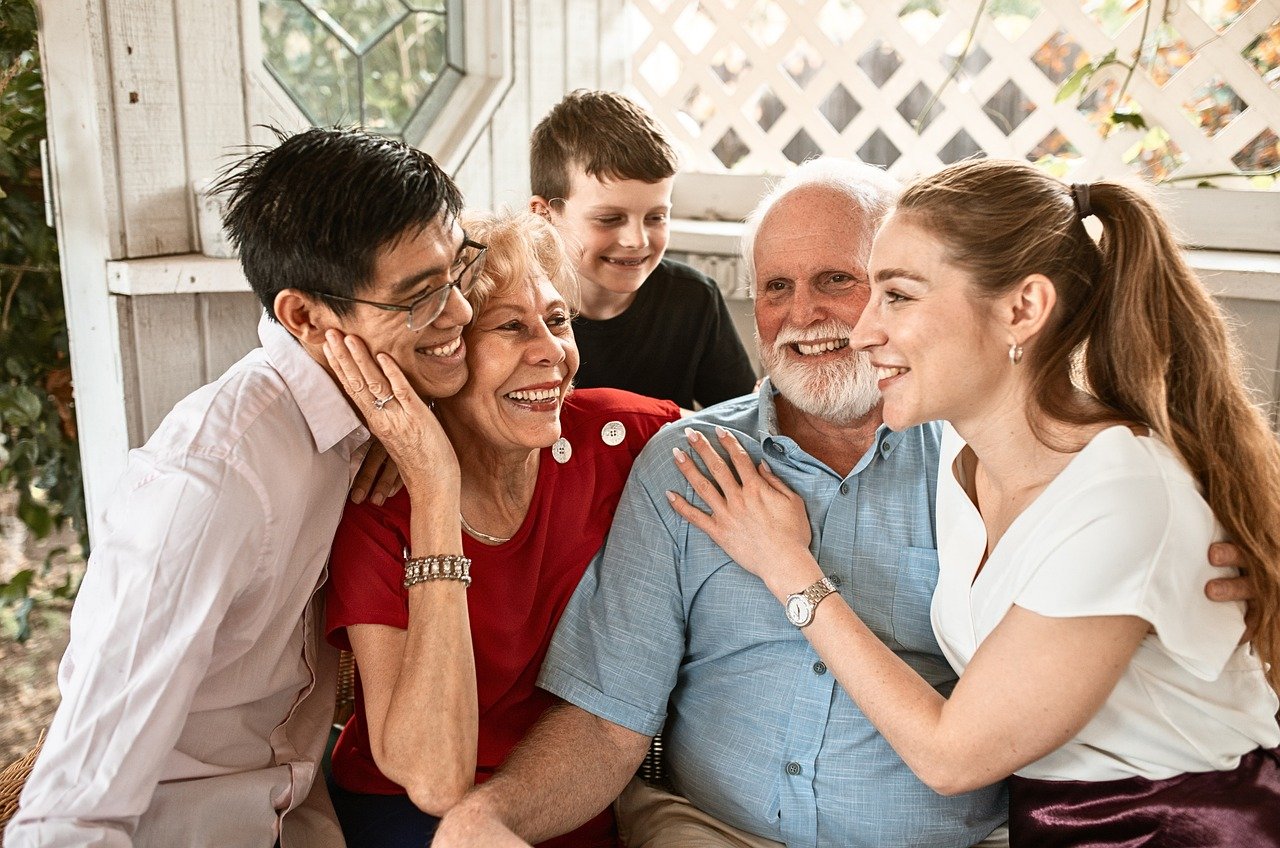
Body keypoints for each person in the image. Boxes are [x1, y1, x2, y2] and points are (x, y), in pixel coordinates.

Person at [431, 158, 1260, 848]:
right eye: (775, 288)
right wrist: (492, 813)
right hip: (709, 830)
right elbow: (611, 722)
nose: (815, 318)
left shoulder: (989, 460)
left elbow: (960, 750)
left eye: (851, 284)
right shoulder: (691, 460)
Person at [668, 159, 1280, 845]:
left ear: (1023, 310)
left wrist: (787, 566)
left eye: (895, 295)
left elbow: (950, 757)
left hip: (1180, 830)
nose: (864, 330)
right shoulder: (962, 458)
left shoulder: (1120, 498)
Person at [4, 127, 475, 847]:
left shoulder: (372, 415)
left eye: (456, 272)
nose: (460, 314)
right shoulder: (208, 484)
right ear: (304, 318)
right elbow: (72, 814)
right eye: (421, 297)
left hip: (303, 818)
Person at [322, 210, 682, 848]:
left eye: (558, 320)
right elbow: (433, 780)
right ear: (444, 354)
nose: (552, 352)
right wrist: (436, 486)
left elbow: (764, 429)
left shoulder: (615, 439)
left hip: (562, 800)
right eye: (511, 327)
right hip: (410, 819)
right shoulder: (380, 505)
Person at [529, 89, 756, 409]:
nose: (637, 240)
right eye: (609, 218)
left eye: (656, 217)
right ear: (544, 215)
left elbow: (741, 418)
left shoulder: (694, 301)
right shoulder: (516, 308)